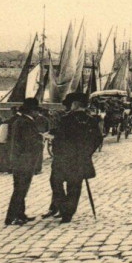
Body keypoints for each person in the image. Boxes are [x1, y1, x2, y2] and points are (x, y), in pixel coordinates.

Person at [45, 92, 103, 223]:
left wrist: (55, 142)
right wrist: (87, 153)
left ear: (75, 105)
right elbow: (97, 138)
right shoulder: (91, 120)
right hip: (80, 160)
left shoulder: (66, 119)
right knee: (75, 186)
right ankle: (68, 212)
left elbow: (59, 137)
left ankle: (63, 206)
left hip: (63, 159)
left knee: (56, 182)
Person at [4, 98, 43, 225]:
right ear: (31, 111)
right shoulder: (26, 123)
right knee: (21, 189)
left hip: (19, 160)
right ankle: (12, 217)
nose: (38, 114)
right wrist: (40, 140)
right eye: (37, 111)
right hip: (25, 160)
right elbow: (29, 142)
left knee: (20, 188)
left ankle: (20, 214)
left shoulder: (20, 121)